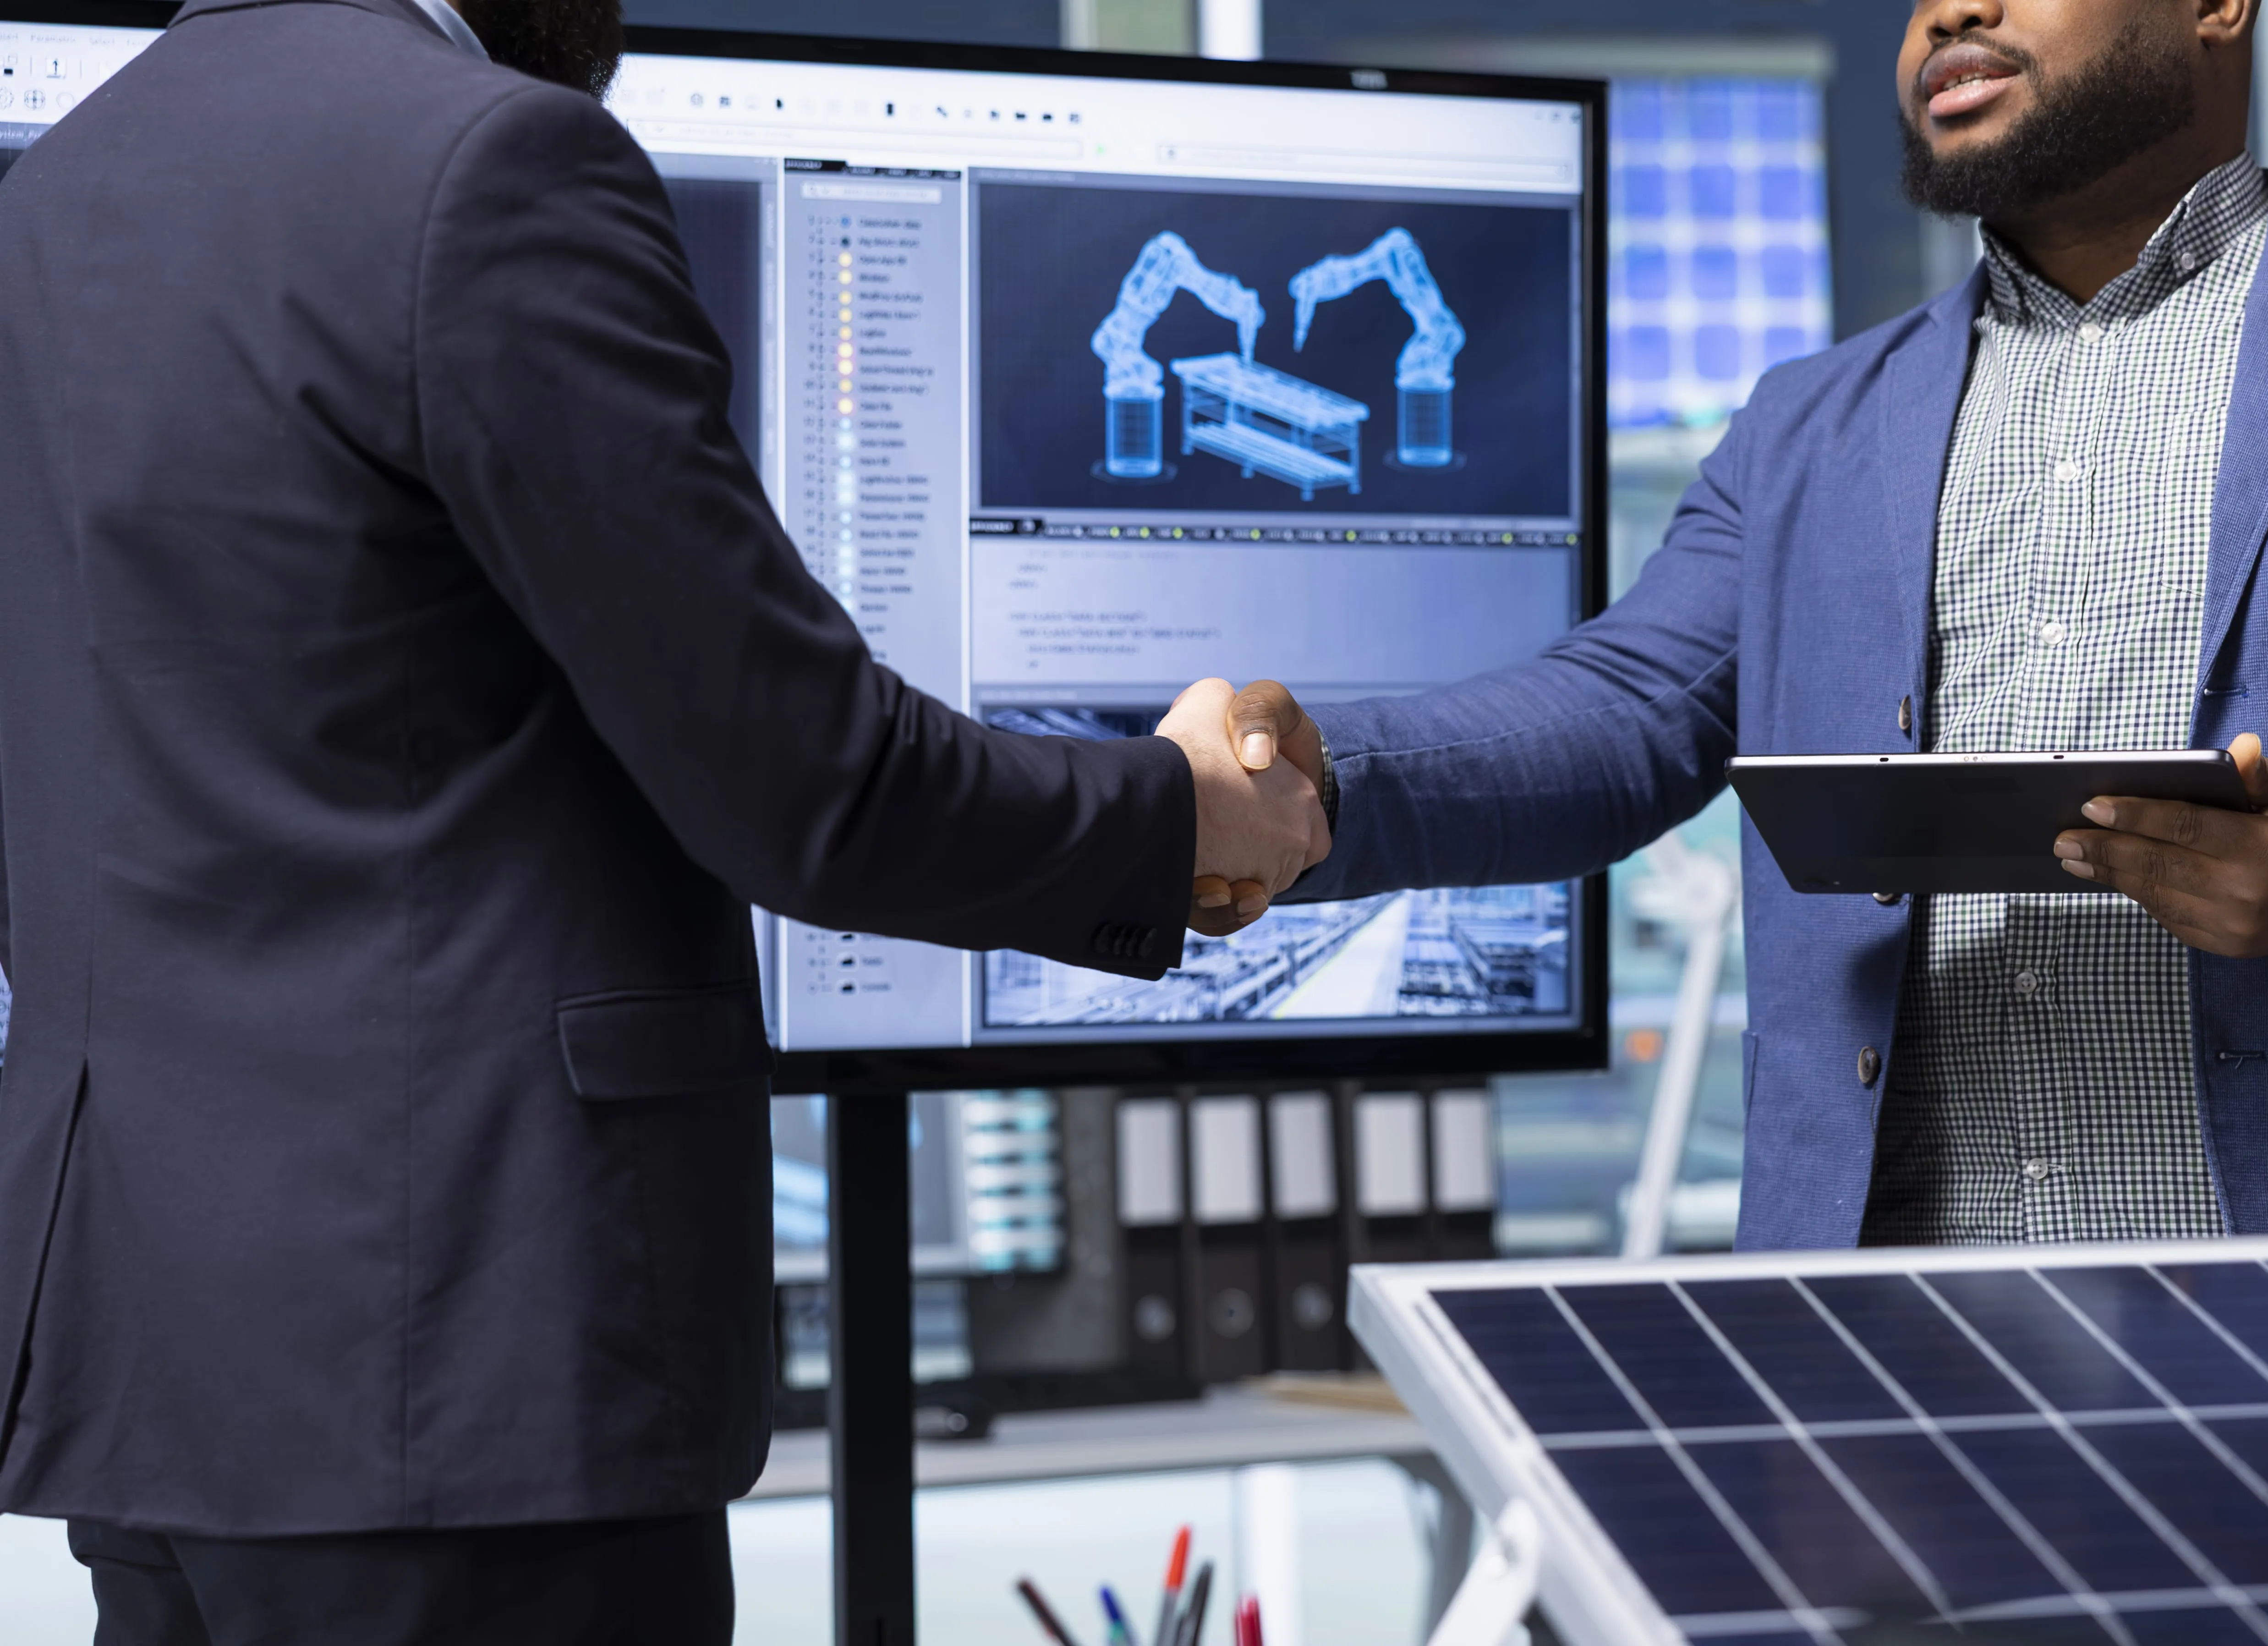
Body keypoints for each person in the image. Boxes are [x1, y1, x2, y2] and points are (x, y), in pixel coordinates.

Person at [0, 0, 1323, 1637]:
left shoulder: (54, 190)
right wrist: (1180, 817)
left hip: (155, 1368)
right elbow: (802, 776)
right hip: (464, 1366)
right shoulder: (488, 164)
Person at [1203, 0, 2268, 1251]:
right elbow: (1618, 715)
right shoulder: (1804, 426)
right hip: (1887, 1351)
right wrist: (1315, 780)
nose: (1945, 15)